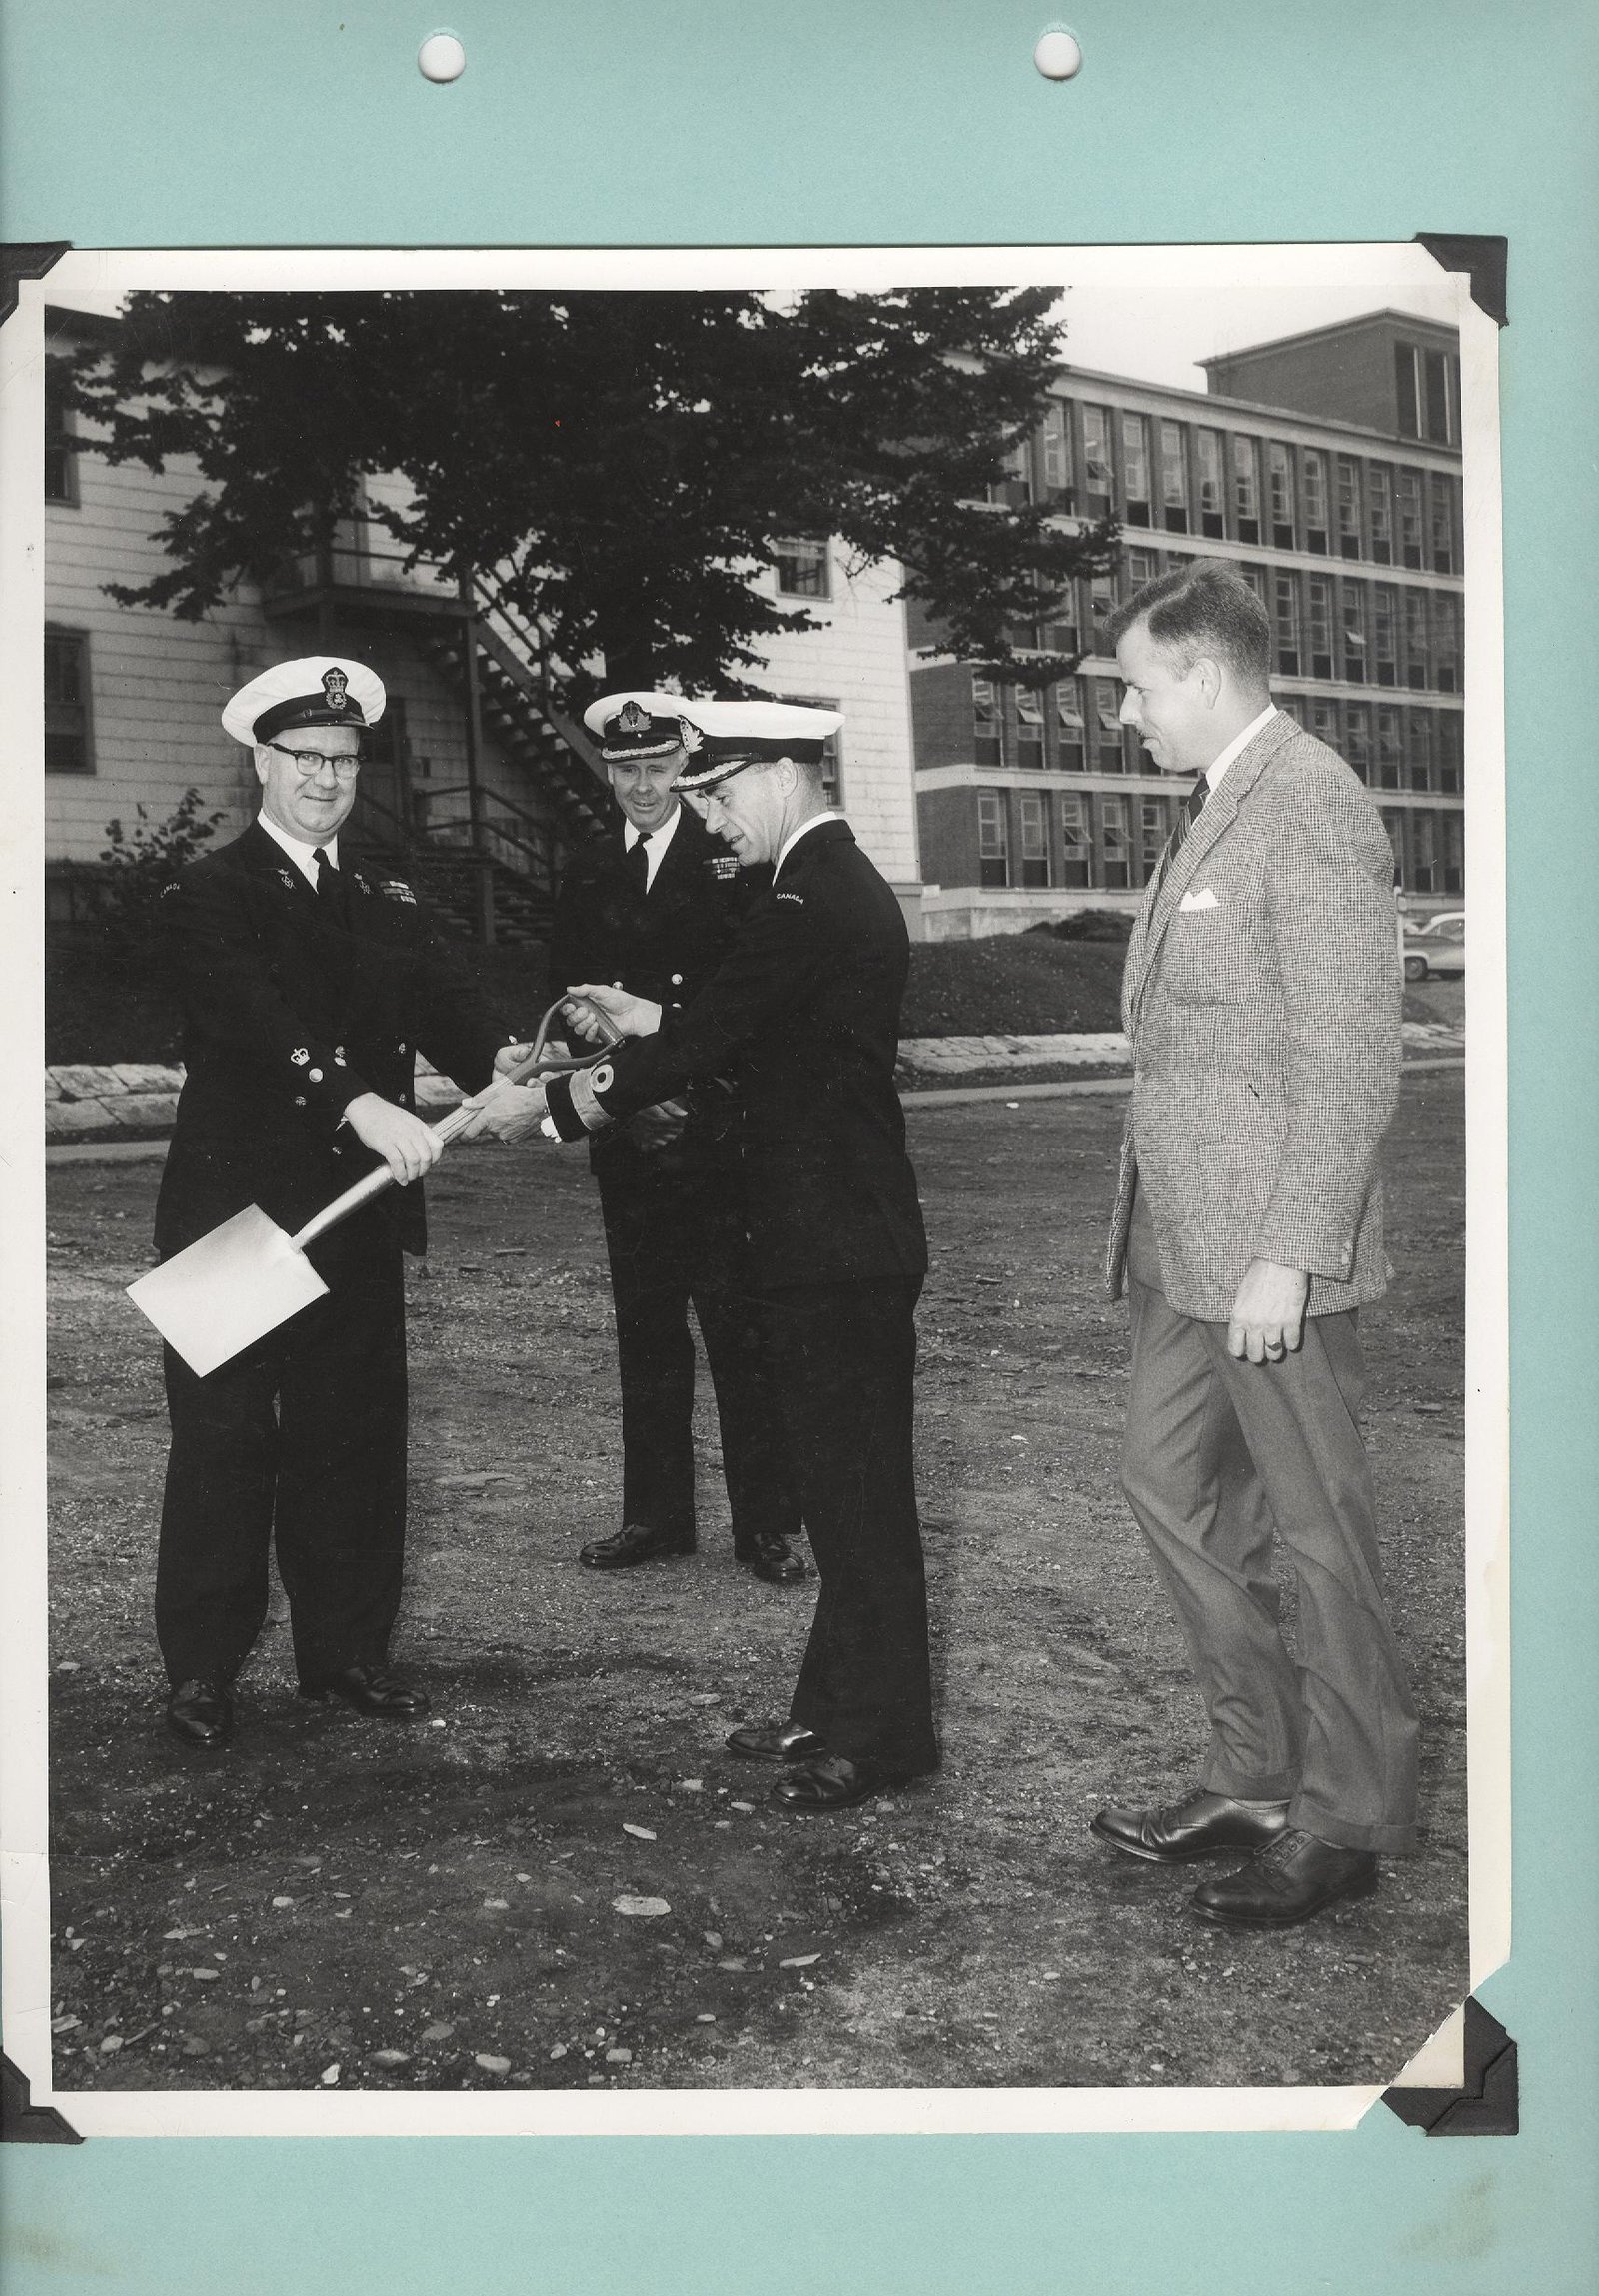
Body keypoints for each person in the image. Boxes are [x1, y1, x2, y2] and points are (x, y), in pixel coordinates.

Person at [474, 700, 936, 1812]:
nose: (711, 819)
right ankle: (835, 1706)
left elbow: (721, 1028)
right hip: (824, 1230)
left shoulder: (812, 893)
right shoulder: (812, 883)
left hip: (838, 1239)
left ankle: (884, 1737)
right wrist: (644, 1011)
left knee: (860, 1499)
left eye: (718, 793)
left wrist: (552, 1106)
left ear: (782, 775)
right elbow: (738, 1019)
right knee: (837, 1488)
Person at [1093, 564, 1419, 1929]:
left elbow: (1352, 1056)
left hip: (1268, 1252)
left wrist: (1290, 1249)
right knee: (1165, 1483)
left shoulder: (1309, 799)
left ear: (1206, 672)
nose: (1125, 713)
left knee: (1315, 1527)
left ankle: (1347, 1816)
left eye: (1136, 686)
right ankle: (1255, 1770)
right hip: (1185, 1245)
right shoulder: (1218, 801)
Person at [151, 656, 518, 1748]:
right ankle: (201, 1671)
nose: (326, 777)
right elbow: (257, 1019)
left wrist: (512, 1063)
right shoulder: (209, 891)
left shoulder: (386, 897)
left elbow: (448, 1008)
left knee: (350, 1434)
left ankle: (346, 1652)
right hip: (233, 1214)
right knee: (222, 1441)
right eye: (305, 756)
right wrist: (358, 1101)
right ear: (261, 763)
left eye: (345, 760)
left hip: (357, 1212)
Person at [545, 691, 804, 1585]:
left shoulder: (730, 858)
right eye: (626, 770)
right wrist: (626, 1099)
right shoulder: (587, 867)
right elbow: (568, 993)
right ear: (607, 772)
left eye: (658, 767)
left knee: (739, 1331)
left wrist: (673, 1088)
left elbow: (744, 1003)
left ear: (683, 767)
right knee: (646, 1330)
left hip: (713, 1126)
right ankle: (654, 1516)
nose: (642, 785)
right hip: (630, 1132)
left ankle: (766, 1524)